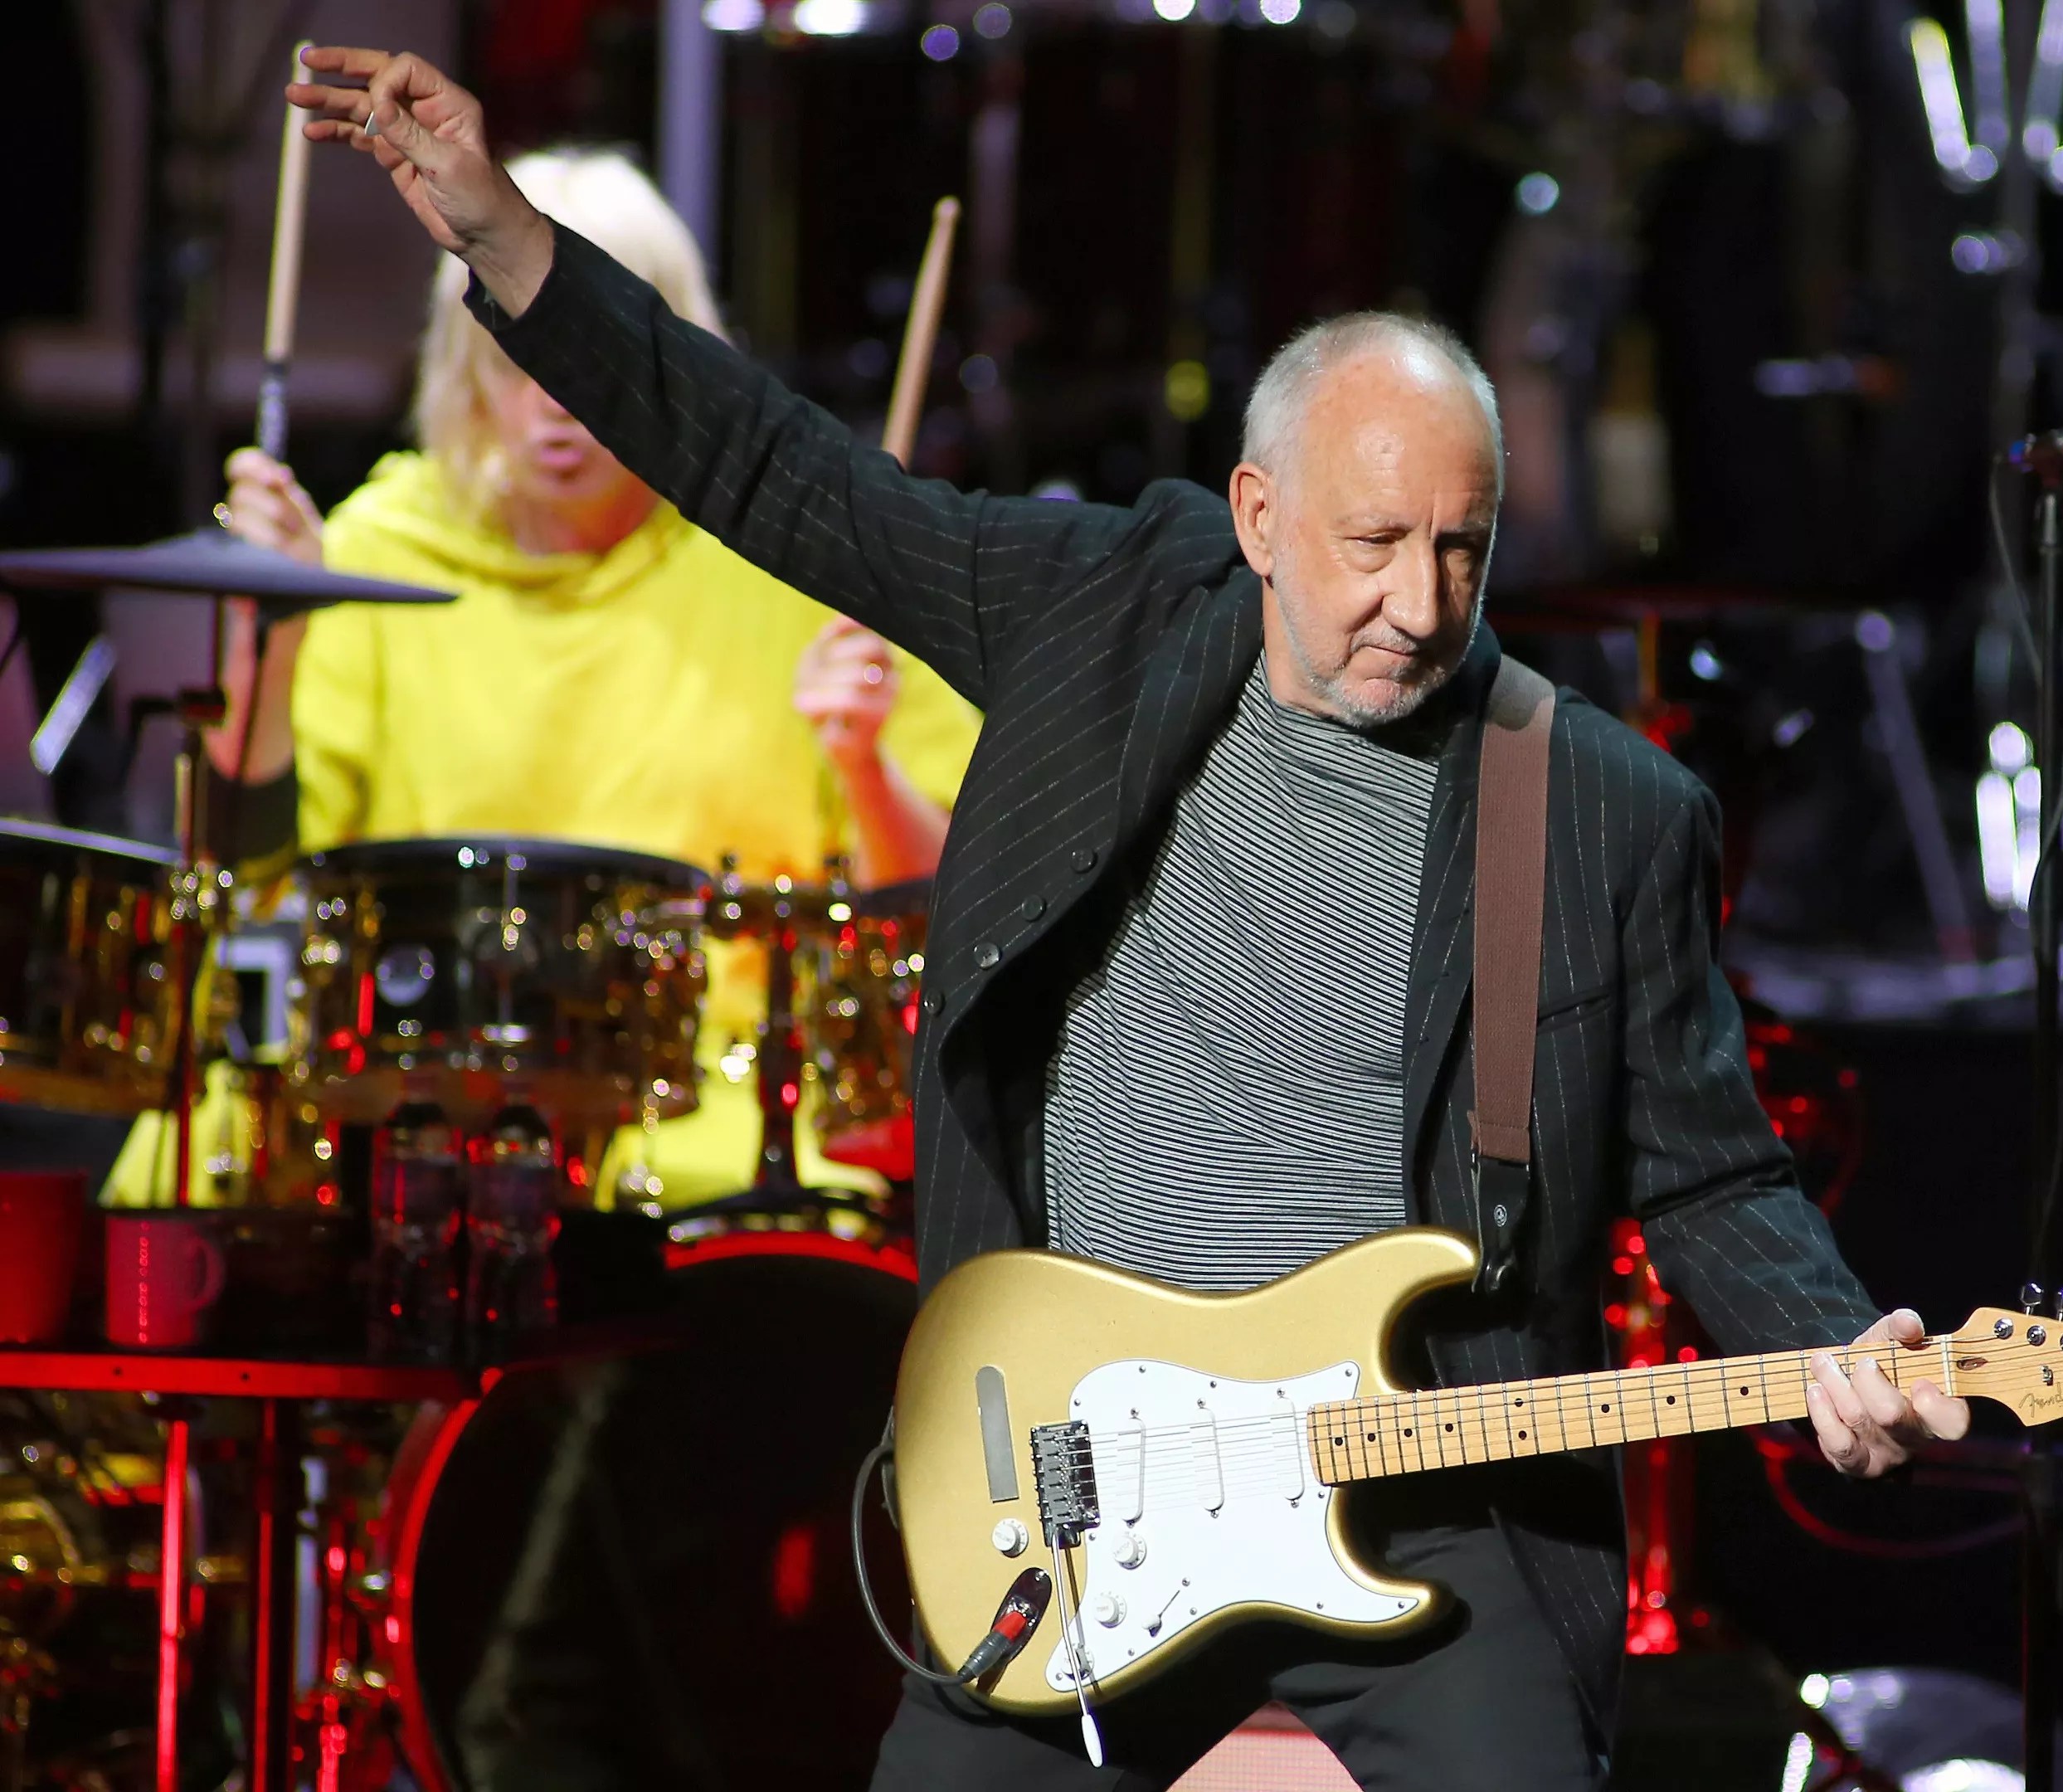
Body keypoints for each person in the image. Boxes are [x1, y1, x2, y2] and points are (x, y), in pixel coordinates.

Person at [287, 46, 1968, 1790]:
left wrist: (1830, 1347)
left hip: (1425, 1500)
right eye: (1373, 543)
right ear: (1259, 516)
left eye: (1460, 551)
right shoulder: (1097, 612)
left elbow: (1710, 1170)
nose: (1417, 604)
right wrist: (508, 239)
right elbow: (780, 471)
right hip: (1083, 1473)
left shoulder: (1597, 807)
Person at [105, 146, 981, 1210]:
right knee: (174, 1165)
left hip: (714, 1104)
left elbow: (953, 922)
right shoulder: (373, 549)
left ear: (678, 359)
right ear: (464, 362)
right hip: (408, 1080)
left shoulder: (800, 559)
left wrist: (863, 762)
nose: (557, 401)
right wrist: (271, 648)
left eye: (596, 354)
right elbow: (245, 890)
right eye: (519, 351)